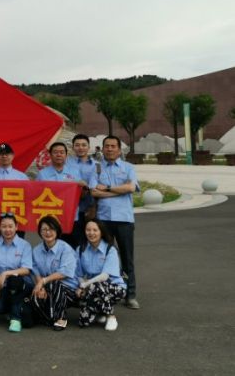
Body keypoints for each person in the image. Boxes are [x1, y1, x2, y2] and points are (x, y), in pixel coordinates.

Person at [91, 135, 140, 310]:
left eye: (113, 146)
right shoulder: (96, 168)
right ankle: (107, 292)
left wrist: (108, 188)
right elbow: (94, 192)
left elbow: (131, 188)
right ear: (102, 149)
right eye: (107, 146)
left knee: (127, 258)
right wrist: (120, 191)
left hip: (124, 219)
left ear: (119, 150)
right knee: (104, 257)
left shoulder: (128, 167)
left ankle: (130, 294)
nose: (110, 149)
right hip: (103, 220)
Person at [36, 142, 93, 248]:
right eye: (55, 152)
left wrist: (84, 188)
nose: (59, 155)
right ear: (50, 155)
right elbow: (37, 195)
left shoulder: (74, 172)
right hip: (51, 218)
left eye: (62, 152)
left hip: (72, 217)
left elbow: (80, 195)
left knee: (75, 247)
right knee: (53, 247)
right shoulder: (42, 174)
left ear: (66, 155)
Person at [75, 219, 127, 331]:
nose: (91, 233)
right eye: (88, 230)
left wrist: (85, 285)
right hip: (91, 288)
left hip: (115, 288)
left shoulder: (110, 249)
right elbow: (78, 274)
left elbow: (104, 276)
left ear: (101, 232)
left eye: (95, 230)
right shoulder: (80, 249)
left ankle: (110, 316)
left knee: (97, 285)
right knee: (83, 322)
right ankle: (101, 311)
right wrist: (81, 285)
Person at [0, 213, 34, 333]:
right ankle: (15, 307)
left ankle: (15, 319)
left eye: (10, 226)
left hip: (23, 284)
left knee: (14, 280)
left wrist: (6, 273)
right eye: (4, 226)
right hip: (3, 286)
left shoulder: (25, 245)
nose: (7, 230)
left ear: (16, 227)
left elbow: (26, 269)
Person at [31, 215, 78, 331]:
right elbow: (36, 272)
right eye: (44, 229)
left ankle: (61, 317)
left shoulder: (65, 248)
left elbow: (64, 273)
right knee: (35, 295)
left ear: (57, 231)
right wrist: (41, 287)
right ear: (40, 232)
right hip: (48, 287)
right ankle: (50, 318)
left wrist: (43, 281)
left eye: (51, 229)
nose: (48, 232)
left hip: (70, 290)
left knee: (54, 283)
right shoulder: (36, 250)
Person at [0, 142, 29, 241]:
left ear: (13, 155)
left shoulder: (22, 177)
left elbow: (28, 198)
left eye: (7, 153)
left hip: (17, 220)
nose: (4, 156)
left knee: (18, 248)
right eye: (1, 154)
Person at [70, 134, 100, 246]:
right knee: (72, 241)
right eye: (77, 145)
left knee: (89, 241)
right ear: (73, 147)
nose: (80, 148)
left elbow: (98, 183)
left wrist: (87, 186)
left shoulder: (97, 165)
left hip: (89, 209)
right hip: (71, 209)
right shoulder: (66, 163)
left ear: (89, 147)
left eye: (83, 145)